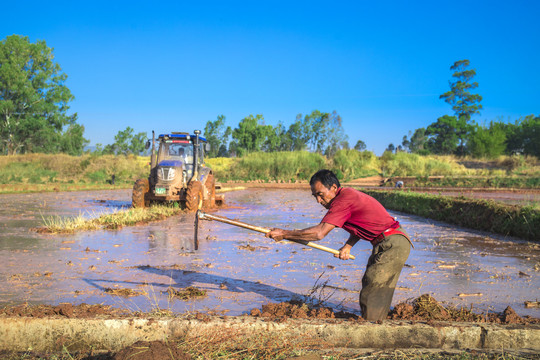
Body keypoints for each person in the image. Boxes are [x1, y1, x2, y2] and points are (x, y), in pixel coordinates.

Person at [265, 169, 412, 321]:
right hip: (389, 241)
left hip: (392, 242)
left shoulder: (343, 201)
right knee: (373, 283)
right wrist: (348, 246)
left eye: (320, 194)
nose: (318, 201)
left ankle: (371, 328)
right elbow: (361, 224)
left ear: (333, 188)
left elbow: (319, 233)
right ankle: (375, 321)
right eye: (315, 196)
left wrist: (285, 233)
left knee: (374, 284)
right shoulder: (346, 196)